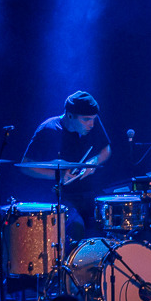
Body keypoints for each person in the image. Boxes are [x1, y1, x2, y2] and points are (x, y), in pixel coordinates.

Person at [20, 90, 112, 240]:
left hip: (88, 194)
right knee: (77, 227)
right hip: (60, 197)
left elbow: (106, 149)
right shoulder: (48, 129)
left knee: (106, 229)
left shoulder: (92, 121)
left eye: (94, 119)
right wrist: (59, 175)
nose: (91, 124)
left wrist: (93, 162)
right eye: (86, 120)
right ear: (70, 115)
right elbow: (25, 166)